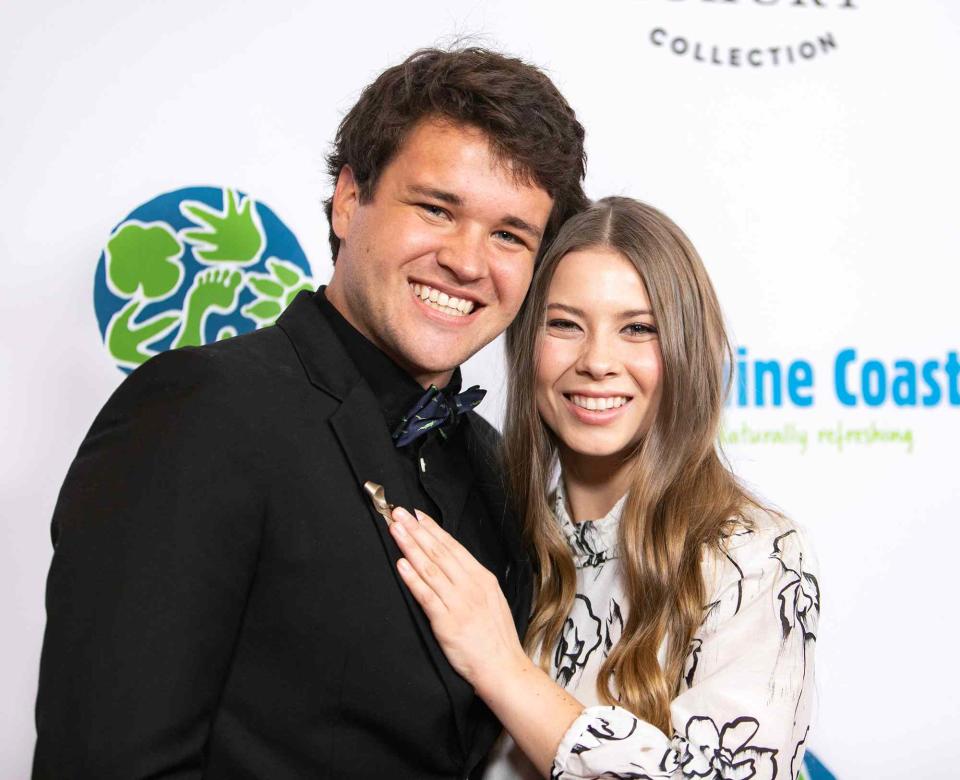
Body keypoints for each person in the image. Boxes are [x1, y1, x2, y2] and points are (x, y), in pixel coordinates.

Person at [33, 47, 587, 779]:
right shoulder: (201, 412)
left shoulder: (491, 461)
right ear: (349, 199)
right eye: (436, 208)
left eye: (509, 234)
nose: (467, 261)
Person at [387, 197, 820, 780]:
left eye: (638, 329)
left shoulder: (753, 556)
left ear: (687, 352)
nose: (597, 361)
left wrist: (503, 668)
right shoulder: (497, 529)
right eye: (565, 324)